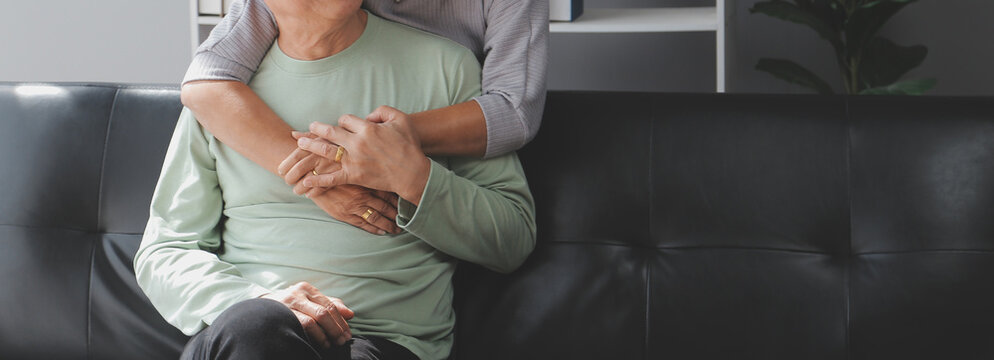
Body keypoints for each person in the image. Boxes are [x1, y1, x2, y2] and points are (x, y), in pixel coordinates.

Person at [134, 0, 536, 359]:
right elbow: (165, 251)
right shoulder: (221, 96)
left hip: (384, 342)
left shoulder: (446, 67)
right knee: (255, 327)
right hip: (245, 336)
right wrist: (254, 299)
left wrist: (413, 176)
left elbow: (512, 238)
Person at [180, 0, 548, 235]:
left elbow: (515, 113)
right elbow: (206, 83)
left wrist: (371, 146)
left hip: (442, 161)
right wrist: (323, 174)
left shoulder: (451, 65)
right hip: (336, 150)